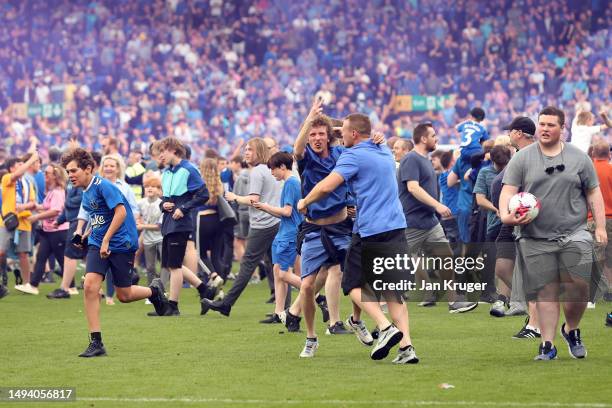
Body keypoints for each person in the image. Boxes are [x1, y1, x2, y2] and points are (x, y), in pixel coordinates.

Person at [298, 113, 418, 364]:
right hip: (397, 226)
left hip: (371, 229)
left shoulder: (353, 155)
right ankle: (407, 348)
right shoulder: (382, 149)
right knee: (393, 291)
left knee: (351, 284)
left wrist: (305, 200)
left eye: (343, 133)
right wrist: (355, 129)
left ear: (353, 134)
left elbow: (327, 186)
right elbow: (357, 130)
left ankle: (385, 328)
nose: (338, 136)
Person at [500, 106, 607, 360]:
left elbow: (593, 192)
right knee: (546, 292)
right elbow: (508, 191)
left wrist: (600, 226)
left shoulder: (579, 158)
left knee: (578, 286)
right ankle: (548, 345)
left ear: (563, 128)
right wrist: (506, 215)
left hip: (575, 232)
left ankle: (571, 329)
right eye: (542, 124)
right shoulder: (522, 158)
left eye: (551, 125)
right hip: (535, 237)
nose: (545, 129)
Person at [60, 148, 169, 357]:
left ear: (88, 169)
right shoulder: (86, 191)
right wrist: (88, 233)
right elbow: (99, 216)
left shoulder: (104, 186)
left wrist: (107, 239)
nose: (70, 175)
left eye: (73, 171)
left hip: (120, 244)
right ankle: (96, 342)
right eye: (68, 172)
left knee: (124, 295)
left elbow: (120, 212)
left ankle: (154, 291)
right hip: (98, 243)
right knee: (90, 286)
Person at [399, 123, 478, 313]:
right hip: (412, 223)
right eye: (433, 135)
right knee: (400, 264)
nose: (437, 139)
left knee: (446, 257)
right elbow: (413, 187)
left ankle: (453, 301)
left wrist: (434, 210)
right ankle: (382, 303)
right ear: (423, 138)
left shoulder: (425, 160)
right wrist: (437, 205)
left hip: (430, 222)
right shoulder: (411, 159)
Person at [201, 137, 281, 317]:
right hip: (274, 222)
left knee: (247, 265)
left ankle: (226, 304)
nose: (246, 152)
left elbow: (254, 200)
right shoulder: (270, 169)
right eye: (245, 149)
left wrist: (235, 197)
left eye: (250, 149)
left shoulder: (258, 171)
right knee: (276, 267)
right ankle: (284, 310)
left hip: (263, 224)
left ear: (259, 151)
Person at [489, 117, 540, 338]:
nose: (508, 135)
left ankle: (535, 318)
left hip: (525, 217)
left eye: (510, 131)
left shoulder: (535, 155)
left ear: (519, 133)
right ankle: (531, 306)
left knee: (527, 271)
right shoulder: (518, 156)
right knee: (502, 268)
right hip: (509, 218)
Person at [157, 137, 212, 316]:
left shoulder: (189, 169)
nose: (160, 156)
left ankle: (173, 306)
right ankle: (205, 289)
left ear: (173, 150)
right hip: (168, 223)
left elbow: (203, 194)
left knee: (174, 265)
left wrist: (183, 208)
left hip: (180, 224)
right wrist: (162, 205)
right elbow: (165, 199)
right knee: (172, 264)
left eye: (162, 152)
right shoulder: (166, 173)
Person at [252, 152, 303, 323]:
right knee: (277, 271)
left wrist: (266, 207)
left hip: (289, 234)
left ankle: (316, 296)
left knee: (283, 274)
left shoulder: (291, 183)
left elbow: (287, 212)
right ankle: (279, 313)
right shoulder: (290, 182)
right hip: (284, 232)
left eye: (273, 169)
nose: (271, 173)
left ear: (282, 167)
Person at [15, 164, 69, 295]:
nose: (44, 175)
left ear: (55, 176)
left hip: (57, 231)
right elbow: (47, 207)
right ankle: (33, 285)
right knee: (41, 257)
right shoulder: (53, 191)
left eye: (47, 173)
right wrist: (33, 207)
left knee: (61, 259)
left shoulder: (57, 192)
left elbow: (56, 211)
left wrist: (36, 217)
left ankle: (70, 286)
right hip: (49, 231)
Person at [473, 145, 512, 308]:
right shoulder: (485, 173)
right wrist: (496, 209)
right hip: (494, 222)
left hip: (511, 222)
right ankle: (487, 291)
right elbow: (480, 199)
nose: (502, 168)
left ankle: (506, 295)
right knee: (490, 259)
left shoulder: (513, 170)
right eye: (499, 165)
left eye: (505, 165)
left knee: (509, 259)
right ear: (492, 160)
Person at [0, 152, 39, 289]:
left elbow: (33, 202)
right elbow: (17, 175)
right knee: (1, 251)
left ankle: (26, 284)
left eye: (24, 164)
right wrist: (31, 161)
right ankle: (3, 274)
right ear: (11, 168)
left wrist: (24, 206)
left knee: (23, 254)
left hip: (24, 221)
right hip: (7, 221)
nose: (23, 167)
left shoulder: (27, 182)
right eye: (20, 164)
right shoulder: (7, 178)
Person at [588, 141, 611, 302]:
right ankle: (609, 289)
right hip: (611, 218)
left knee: (595, 257)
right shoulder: (611, 169)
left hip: (593, 219)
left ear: (593, 153)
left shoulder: (588, 171)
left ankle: (599, 291)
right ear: (608, 154)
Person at [136, 174, 168, 288]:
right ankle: (151, 292)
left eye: (153, 186)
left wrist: (142, 226)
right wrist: (138, 220)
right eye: (147, 186)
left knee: (165, 264)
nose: (150, 188)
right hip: (148, 239)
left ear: (159, 190)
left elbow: (158, 226)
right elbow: (136, 216)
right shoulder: (140, 203)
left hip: (161, 238)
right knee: (150, 267)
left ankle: (162, 289)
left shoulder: (162, 204)